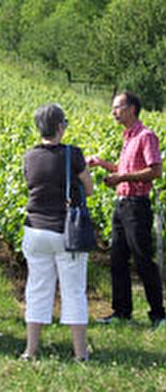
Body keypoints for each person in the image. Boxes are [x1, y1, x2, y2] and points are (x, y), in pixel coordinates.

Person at [21, 104, 93, 362]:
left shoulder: (28, 156)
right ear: (60, 127)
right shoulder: (73, 154)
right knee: (73, 290)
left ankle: (30, 350)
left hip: (34, 230)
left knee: (37, 289)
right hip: (66, 232)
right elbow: (90, 187)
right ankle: (80, 353)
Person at [87, 91, 165, 330]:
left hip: (136, 206)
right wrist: (103, 164)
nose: (114, 112)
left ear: (132, 109)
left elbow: (155, 171)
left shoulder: (145, 136)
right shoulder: (128, 138)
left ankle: (159, 315)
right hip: (122, 204)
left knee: (142, 259)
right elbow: (125, 168)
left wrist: (122, 177)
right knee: (117, 259)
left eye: (117, 107)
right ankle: (121, 312)